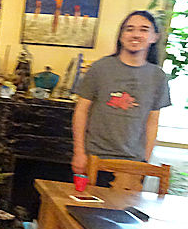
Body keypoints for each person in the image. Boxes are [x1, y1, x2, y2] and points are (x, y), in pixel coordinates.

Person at [71, 10, 171, 177]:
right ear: (121, 36)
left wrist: (145, 161)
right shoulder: (100, 68)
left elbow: (152, 122)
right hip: (94, 158)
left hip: (133, 163)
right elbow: (81, 111)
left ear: (154, 37)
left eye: (144, 30)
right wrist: (79, 152)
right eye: (129, 29)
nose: (136, 34)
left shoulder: (158, 77)